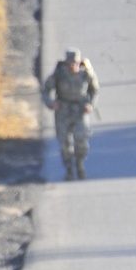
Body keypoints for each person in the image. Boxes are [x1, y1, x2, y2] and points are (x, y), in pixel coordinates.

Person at [42, 48, 99, 180]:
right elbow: (46, 90)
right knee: (64, 143)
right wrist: (50, 103)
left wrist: (91, 104)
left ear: (79, 63)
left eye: (75, 63)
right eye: (69, 64)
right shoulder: (59, 75)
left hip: (80, 111)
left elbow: (94, 90)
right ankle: (68, 168)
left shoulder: (86, 75)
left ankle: (79, 163)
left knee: (82, 141)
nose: (72, 66)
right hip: (63, 111)